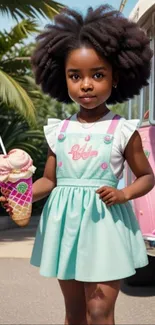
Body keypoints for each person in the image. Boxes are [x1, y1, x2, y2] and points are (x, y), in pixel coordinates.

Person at [1, 4, 155, 325]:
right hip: (65, 228)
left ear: (116, 77)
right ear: (64, 79)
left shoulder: (123, 130)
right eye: (76, 76)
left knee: (99, 312)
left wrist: (124, 194)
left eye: (97, 74)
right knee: (74, 314)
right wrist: (22, 196)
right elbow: (49, 181)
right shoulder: (59, 130)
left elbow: (146, 176)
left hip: (106, 228)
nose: (86, 84)